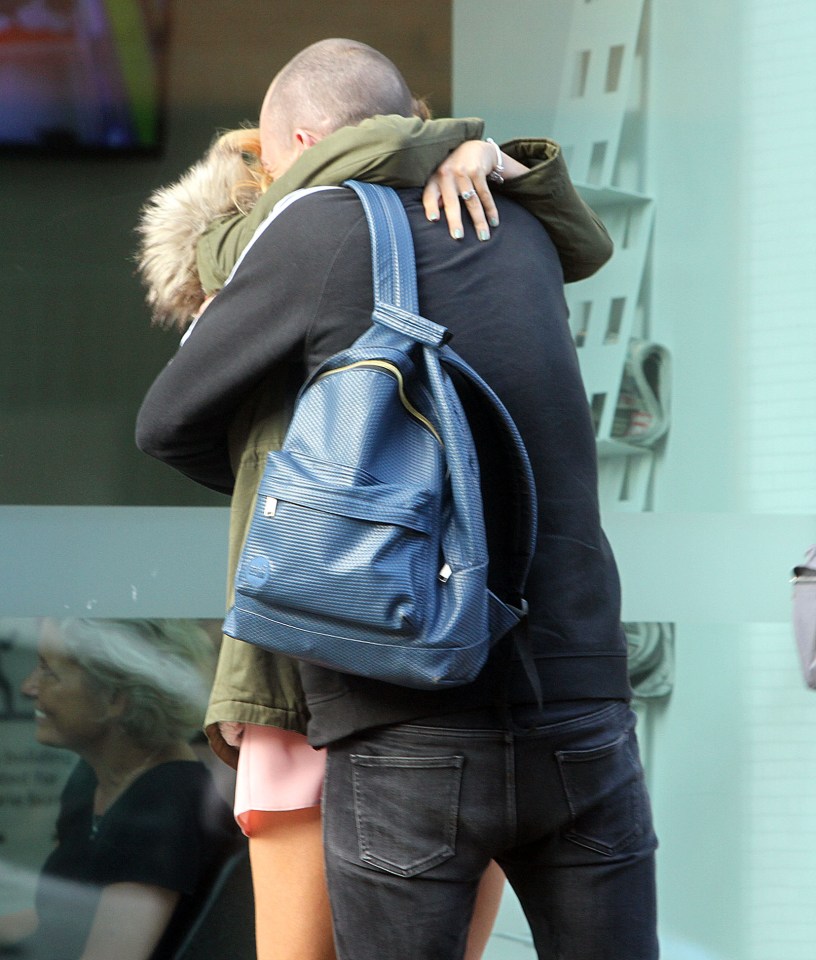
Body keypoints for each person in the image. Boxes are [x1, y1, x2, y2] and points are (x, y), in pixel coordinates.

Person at [136, 38, 656, 959]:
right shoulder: (517, 224)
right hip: (579, 699)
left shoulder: (316, 224)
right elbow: (589, 240)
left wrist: (303, 502)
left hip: (410, 706)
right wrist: (484, 153)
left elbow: (166, 421)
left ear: (299, 142)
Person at [0, 618, 239, 960]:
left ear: (115, 698)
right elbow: (56, 923)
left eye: (48, 672)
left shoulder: (163, 803)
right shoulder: (93, 781)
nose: (28, 687)